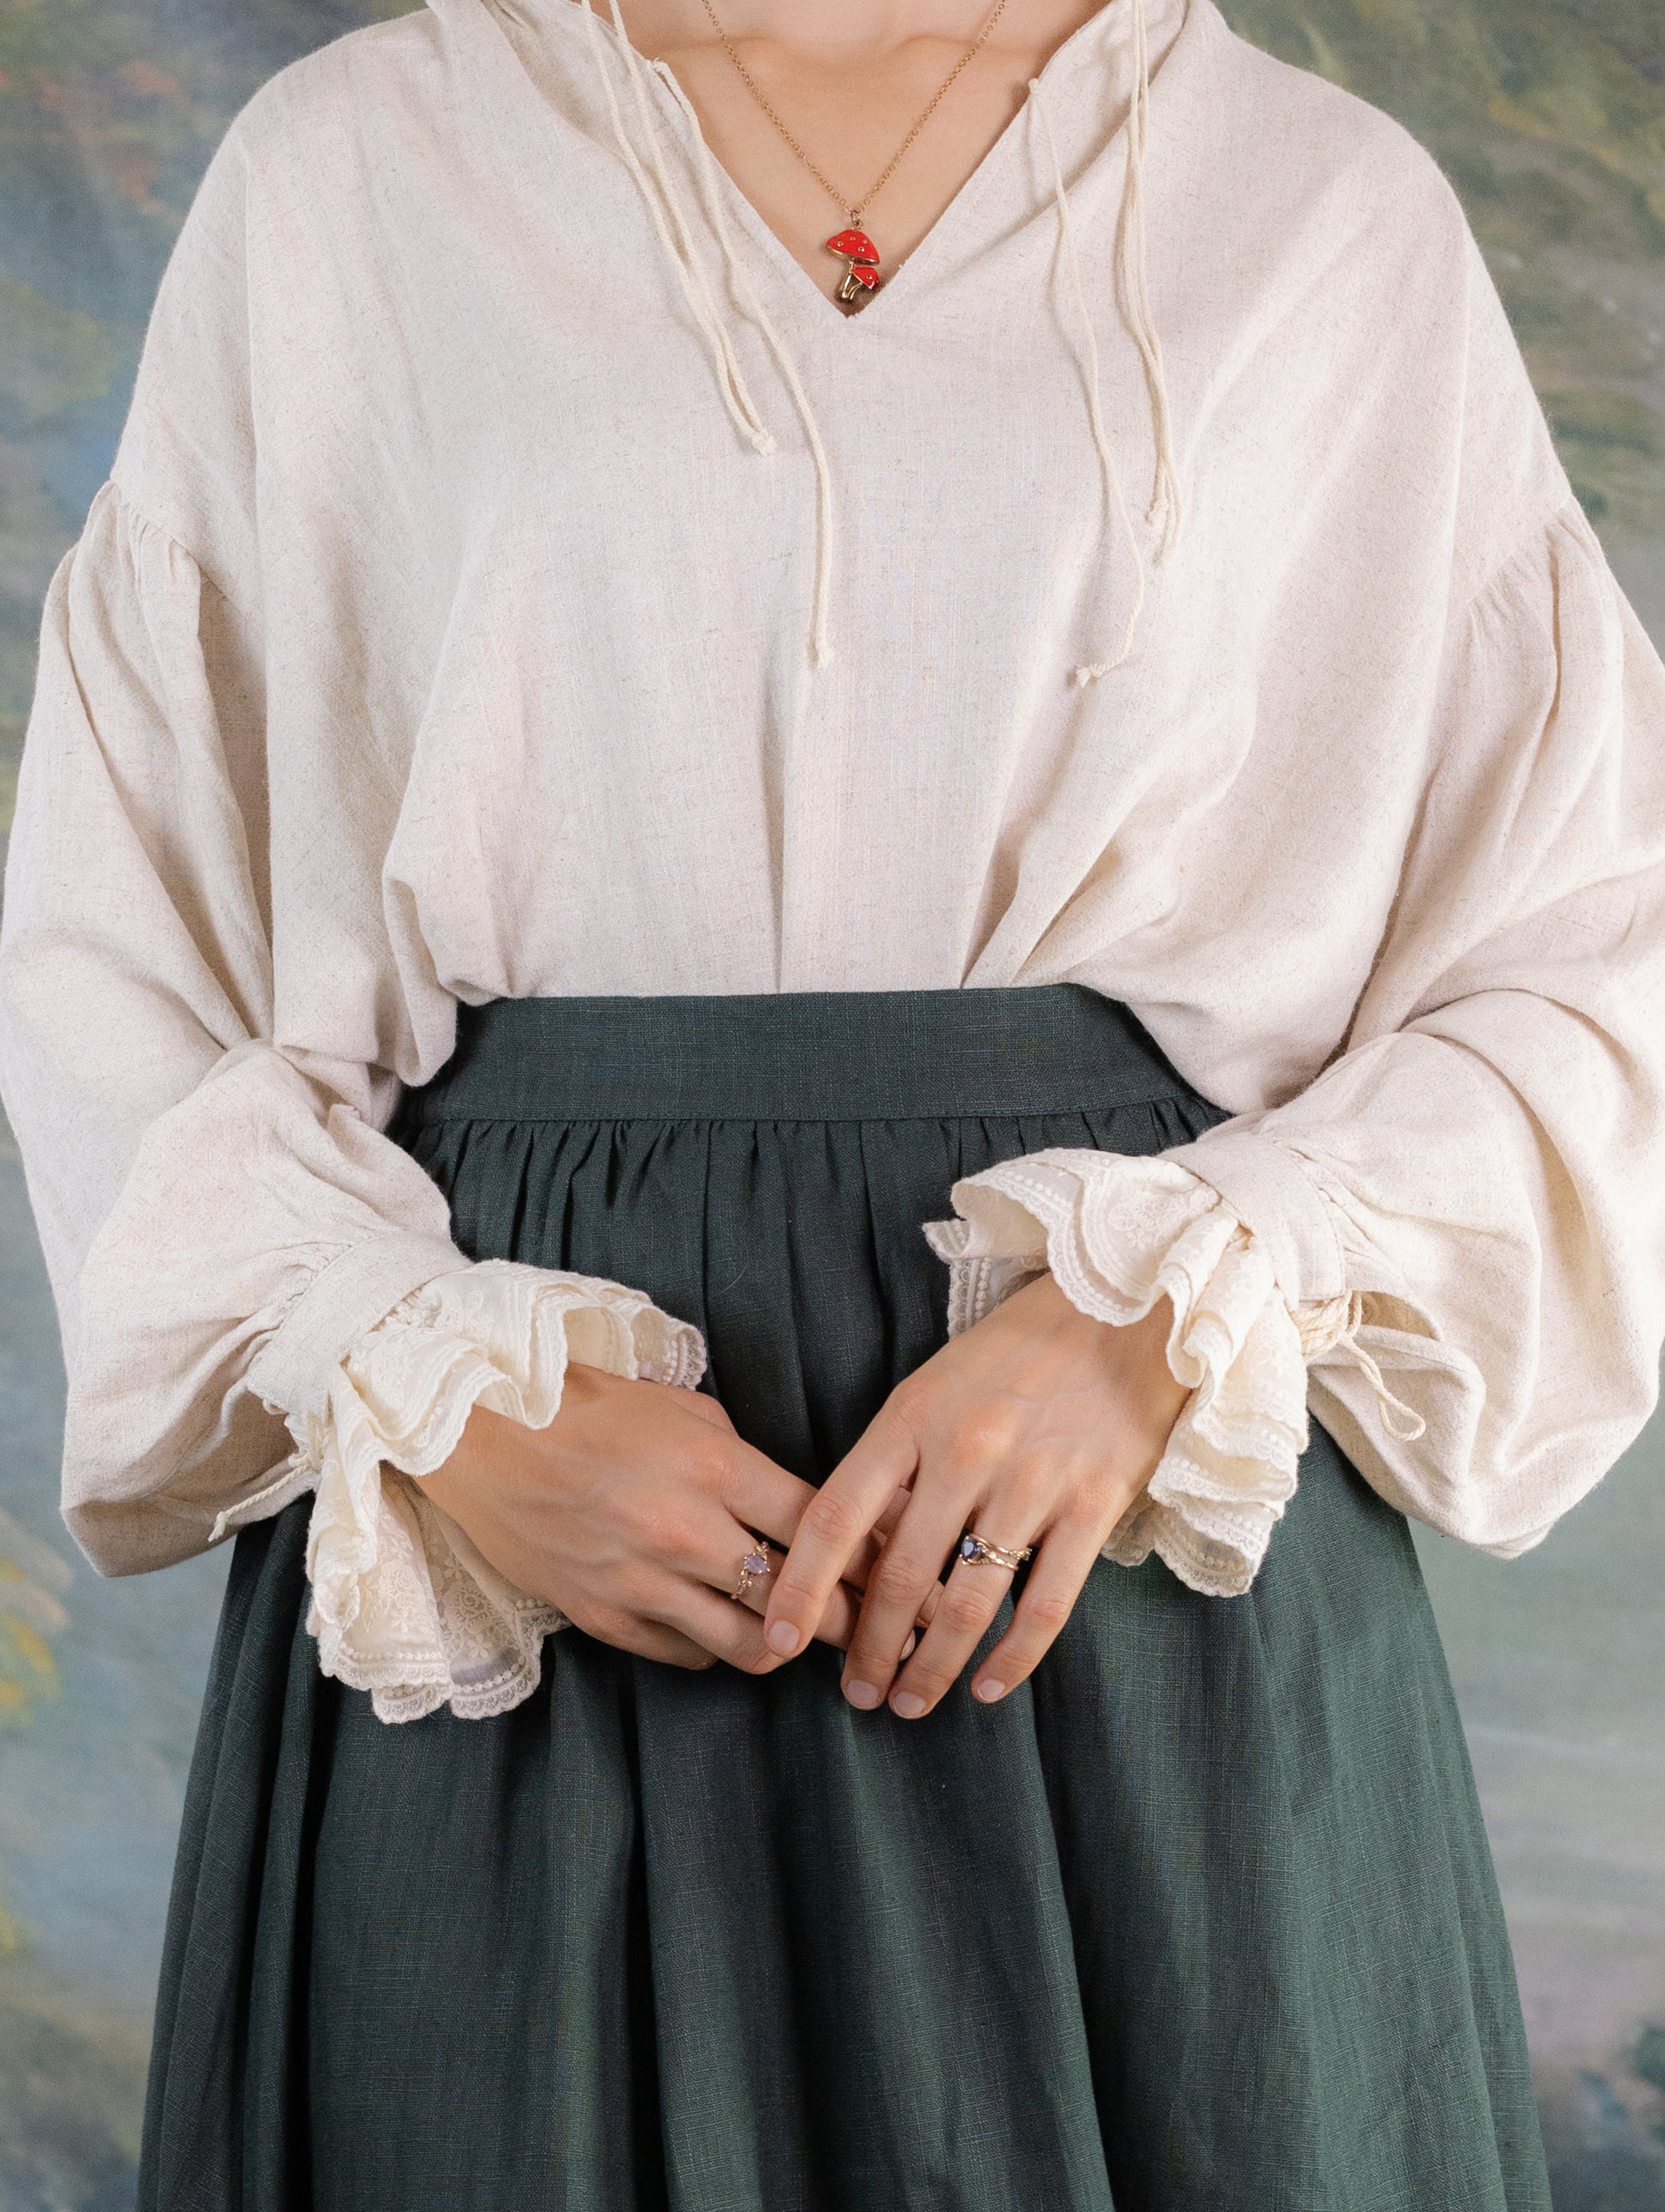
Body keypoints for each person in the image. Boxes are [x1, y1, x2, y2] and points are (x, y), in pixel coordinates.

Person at [3, 0, 1662, 2202]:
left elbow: (1581, 937)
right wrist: (431, 1392)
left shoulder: (1319, 208)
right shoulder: (353, 171)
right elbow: (133, 925)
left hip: (1134, 1549)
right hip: (522, 1541)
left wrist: (1160, 1315)